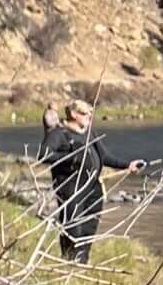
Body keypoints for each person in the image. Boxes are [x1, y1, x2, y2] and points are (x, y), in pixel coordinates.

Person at [39, 98, 143, 263]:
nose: (89, 116)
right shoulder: (59, 134)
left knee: (88, 230)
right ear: (73, 114)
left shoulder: (90, 133)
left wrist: (127, 165)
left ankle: (82, 263)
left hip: (93, 189)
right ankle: (69, 262)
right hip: (71, 189)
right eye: (84, 113)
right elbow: (44, 155)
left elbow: (105, 156)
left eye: (90, 113)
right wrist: (72, 157)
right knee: (73, 229)